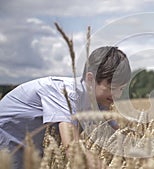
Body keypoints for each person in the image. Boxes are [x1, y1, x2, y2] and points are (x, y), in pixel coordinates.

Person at [0, 46, 131, 168]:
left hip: (29, 148)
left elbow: (119, 136)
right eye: (112, 87)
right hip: (7, 140)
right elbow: (72, 149)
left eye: (121, 89)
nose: (117, 95)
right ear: (90, 79)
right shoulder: (65, 92)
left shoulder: (99, 101)